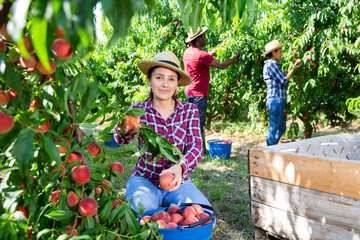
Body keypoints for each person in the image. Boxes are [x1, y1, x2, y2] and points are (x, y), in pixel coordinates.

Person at [113, 51, 211, 213]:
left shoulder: (189, 110)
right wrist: (125, 129)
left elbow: (196, 146)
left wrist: (180, 167)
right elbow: (121, 139)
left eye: (171, 79)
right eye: (159, 77)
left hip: (178, 180)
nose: (165, 84)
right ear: (149, 80)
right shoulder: (138, 110)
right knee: (140, 211)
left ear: (177, 83)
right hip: (145, 179)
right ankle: (160, 206)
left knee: (204, 213)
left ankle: (170, 206)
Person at [183, 27, 240, 150]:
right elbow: (222, 65)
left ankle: (194, 147)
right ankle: (199, 150)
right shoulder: (201, 55)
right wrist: (236, 57)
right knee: (199, 122)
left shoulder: (188, 52)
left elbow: (205, 58)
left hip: (189, 91)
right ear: (199, 39)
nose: (206, 38)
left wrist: (220, 47)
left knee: (192, 120)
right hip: (199, 94)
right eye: (204, 36)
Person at [262, 40, 302, 146]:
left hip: (277, 99)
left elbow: (281, 77)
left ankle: (272, 148)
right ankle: (269, 151)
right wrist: (293, 69)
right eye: (279, 51)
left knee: (282, 128)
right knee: (273, 128)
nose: (281, 53)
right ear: (273, 52)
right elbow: (283, 81)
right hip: (276, 99)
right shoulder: (271, 65)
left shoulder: (273, 65)